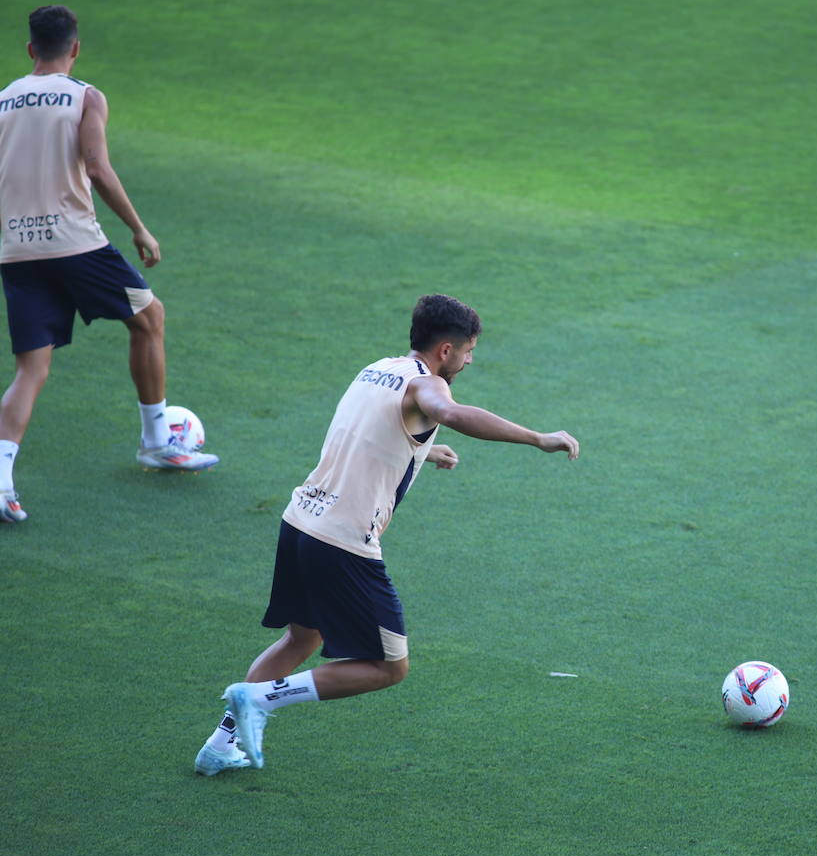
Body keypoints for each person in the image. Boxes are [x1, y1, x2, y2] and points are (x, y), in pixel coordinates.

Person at [194, 294, 579, 775]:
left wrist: (421, 451)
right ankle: (260, 699)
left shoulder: (376, 369)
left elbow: (367, 429)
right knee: (388, 667)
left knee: (302, 638)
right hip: (341, 542)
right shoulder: (428, 385)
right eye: (468, 350)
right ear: (444, 351)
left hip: (299, 522)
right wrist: (537, 438)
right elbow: (451, 413)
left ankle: (220, 743)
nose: (470, 359)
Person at [0, 5, 216, 524]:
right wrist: (139, 227)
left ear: (30, 49)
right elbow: (96, 166)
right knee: (149, 318)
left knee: (30, 371)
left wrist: (9, 228)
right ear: (75, 48)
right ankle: (155, 441)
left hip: (21, 254)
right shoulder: (84, 97)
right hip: (77, 246)